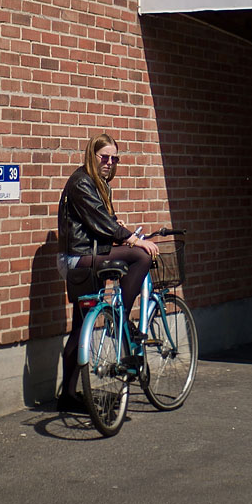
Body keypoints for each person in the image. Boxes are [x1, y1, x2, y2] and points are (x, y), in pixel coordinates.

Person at [56, 132, 159, 411]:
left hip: (83, 258)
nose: (110, 162)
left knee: (80, 328)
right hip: (82, 259)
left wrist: (115, 223)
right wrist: (133, 238)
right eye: (105, 157)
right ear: (93, 155)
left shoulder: (95, 183)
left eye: (115, 158)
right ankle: (120, 319)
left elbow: (97, 221)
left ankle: (67, 396)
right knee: (139, 256)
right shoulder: (82, 182)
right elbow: (100, 222)